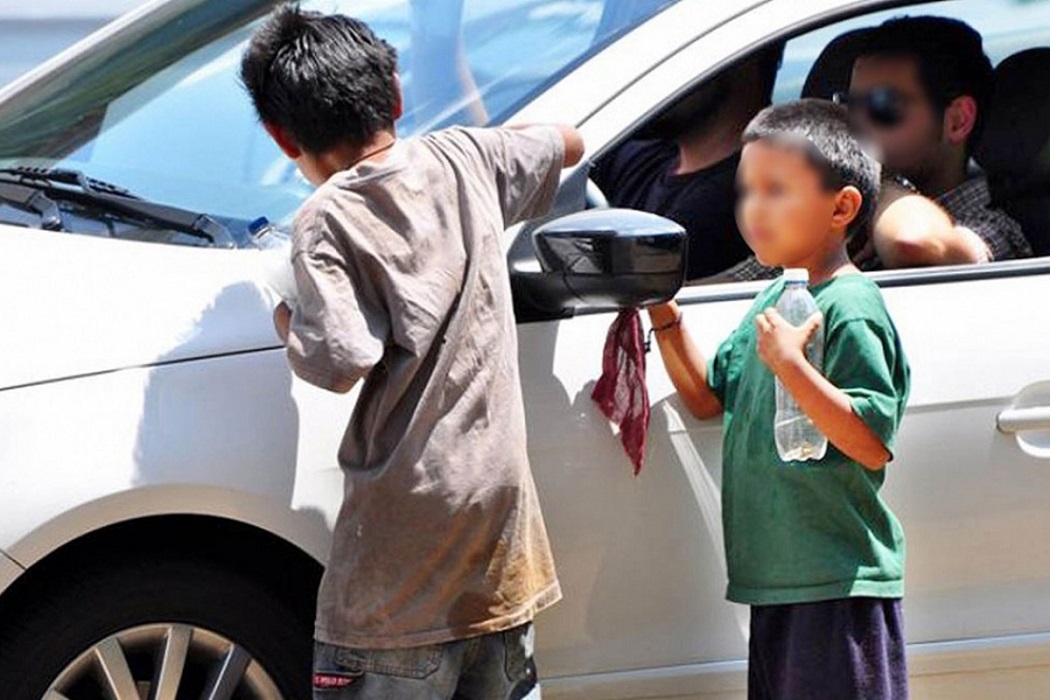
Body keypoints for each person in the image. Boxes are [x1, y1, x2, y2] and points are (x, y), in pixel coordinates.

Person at [239, 6, 584, 699]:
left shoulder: (324, 219)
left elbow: (339, 360)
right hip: (498, 554)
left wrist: (283, 315)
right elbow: (570, 143)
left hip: (398, 581)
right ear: (395, 97)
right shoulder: (467, 157)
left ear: (282, 138)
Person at [648, 100, 911, 699]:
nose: (752, 209)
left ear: (841, 206)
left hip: (836, 583)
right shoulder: (775, 296)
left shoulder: (850, 305)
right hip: (776, 583)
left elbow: (870, 442)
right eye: (746, 191)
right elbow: (708, 399)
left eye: (775, 190)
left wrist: (793, 367)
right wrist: (664, 314)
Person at [722, 16, 1030, 282]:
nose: (856, 123)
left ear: (957, 121)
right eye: (848, 104)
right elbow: (720, 289)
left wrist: (872, 178)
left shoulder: (993, 224)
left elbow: (913, 242)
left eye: (882, 105)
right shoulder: (838, 213)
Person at [591, 45, 783, 280]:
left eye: (670, 58)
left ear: (742, 60)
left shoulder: (731, 205)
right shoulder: (642, 155)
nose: (648, 74)